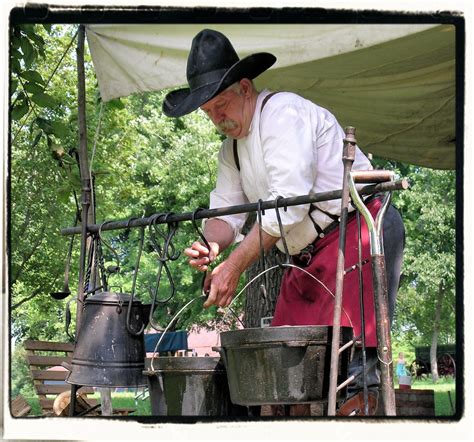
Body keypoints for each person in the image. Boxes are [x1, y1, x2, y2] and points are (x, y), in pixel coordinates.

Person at [163, 29, 405, 416]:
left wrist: (235, 267)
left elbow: (286, 209)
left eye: (221, 105)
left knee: (355, 365)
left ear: (245, 87)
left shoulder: (283, 114)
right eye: (208, 112)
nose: (216, 119)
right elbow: (225, 211)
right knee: (282, 365)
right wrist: (212, 246)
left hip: (358, 230)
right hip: (308, 255)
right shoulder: (233, 150)